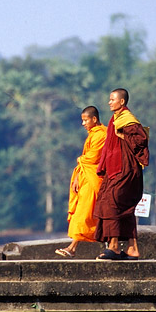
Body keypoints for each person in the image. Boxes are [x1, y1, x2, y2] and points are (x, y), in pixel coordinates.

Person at [93, 88, 149, 260]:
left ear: (122, 102)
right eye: (109, 99)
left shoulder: (128, 120)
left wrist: (123, 134)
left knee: (112, 203)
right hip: (115, 170)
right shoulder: (114, 119)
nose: (109, 102)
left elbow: (142, 139)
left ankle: (115, 246)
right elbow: (109, 147)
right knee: (123, 207)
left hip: (126, 170)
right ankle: (133, 249)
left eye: (112, 99)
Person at [55, 106, 106, 258]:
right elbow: (86, 162)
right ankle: (75, 248)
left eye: (85, 120)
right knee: (86, 214)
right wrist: (78, 175)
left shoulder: (102, 134)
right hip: (86, 177)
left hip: (94, 180)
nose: (83, 124)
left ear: (94, 119)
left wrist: (80, 160)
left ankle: (72, 248)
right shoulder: (93, 134)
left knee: (84, 214)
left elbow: (93, 158)